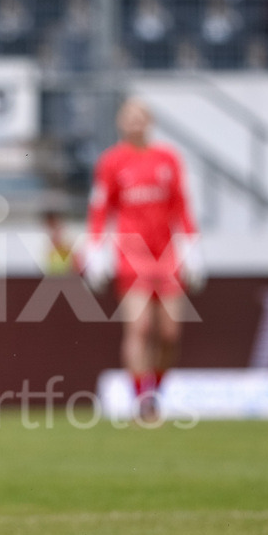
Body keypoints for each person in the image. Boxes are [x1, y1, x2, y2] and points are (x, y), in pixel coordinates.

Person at [82, 97, 204, 422]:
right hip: (131, 255)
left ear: (149, 121)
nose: (135, 123)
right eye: (129, 117)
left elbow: (181, 207)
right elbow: (100, 210)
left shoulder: (168, 159)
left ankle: (156, 391)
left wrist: (192, 249)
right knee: (139, 329)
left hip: (166, 256)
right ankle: (143, 402)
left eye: (140, 117)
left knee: (169, 334)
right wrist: (95, 251)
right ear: (121, 123)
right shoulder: (111, 162)